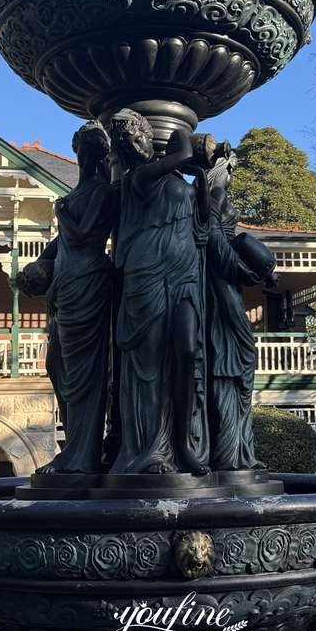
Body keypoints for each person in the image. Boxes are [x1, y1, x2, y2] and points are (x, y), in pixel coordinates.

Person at [108, 110, 209, 475]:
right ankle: (148, 450)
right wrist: (185, 139)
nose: (135, 147)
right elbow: (182, 151)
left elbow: (203, 220)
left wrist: (202, 179)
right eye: (126, 144)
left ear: (150, 137)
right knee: (148, 366)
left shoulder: (174, 175)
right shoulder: (138, 177)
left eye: (139, 138)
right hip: (146, 276)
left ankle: (184, 443)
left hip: (183, 276)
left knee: (187, 351)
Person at [17, 120, 117, 473]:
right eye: (82, 150)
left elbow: (88, 234)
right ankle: (74, 446)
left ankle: (83, 455)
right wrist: (36, 268)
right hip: (66, 285)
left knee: (86, 371)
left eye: (91, 150)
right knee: (58, 367)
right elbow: (62, 245)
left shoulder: (105, 191)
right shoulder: (76, 194)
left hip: (89, 279)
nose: (86, 157)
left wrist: (61, 214)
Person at [204, 149, 275, 470]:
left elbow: (219, 239)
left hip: (226, 292)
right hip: (220, 292)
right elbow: (215, 239)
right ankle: (231, 454)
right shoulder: (214, 195)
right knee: (231, 373)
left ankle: (238, 453)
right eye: (230, 170)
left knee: (234, 375)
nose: (232, 177)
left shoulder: (214, 197)